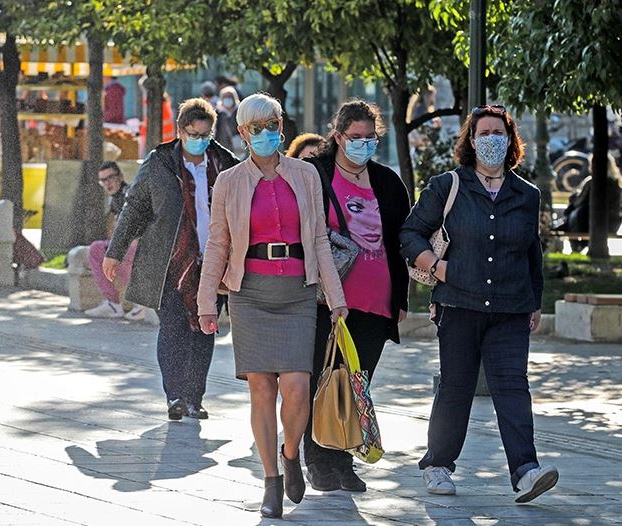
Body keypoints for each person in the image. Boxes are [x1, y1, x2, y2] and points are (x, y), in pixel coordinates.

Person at [195, 93, 347, 518]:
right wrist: (208, 303)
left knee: (298, 386)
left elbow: (320, 238)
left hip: (298, 290)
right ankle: (271, 480)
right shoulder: (229, 181)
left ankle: (290, 451)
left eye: (273, 125)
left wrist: (336, 297)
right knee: (261, 389)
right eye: (255, 129)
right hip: (250, 293)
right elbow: (219, 244)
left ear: (283, 126)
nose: (266, 134)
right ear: (242, 133)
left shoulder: (306, 175)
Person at [400, 104, 558, 503]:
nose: (492, 140)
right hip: (459, 305)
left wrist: (534, 301)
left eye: (499, 133)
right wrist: (436, 268)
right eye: (484, 133)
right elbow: (410, 233)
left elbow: (531, 252)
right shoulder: (447, 186)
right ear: (472, 141)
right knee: (456, 387)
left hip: (510, 307)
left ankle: (526, 471)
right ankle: (438, 464)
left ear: (511, 141)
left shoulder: (527, 194)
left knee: (513, 387)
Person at [103, 98, 239, 421]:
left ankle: (195, 397)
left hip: (212, 264)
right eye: (194, 134)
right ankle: (175, 395)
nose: (201, 141)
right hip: (170, 262)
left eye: (206, 135)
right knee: (175, 329)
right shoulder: (159, 163)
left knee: (205, 331)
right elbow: (134, 208)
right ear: (180, 131)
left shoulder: (225, 163)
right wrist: (115, 251)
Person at [302, 100, 412, 492]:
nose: (363, 145)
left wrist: (401, 298)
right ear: (338, 136)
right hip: (326, 304)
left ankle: (344, 459)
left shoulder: (387, 181)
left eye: (370, 138)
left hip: (375, 302)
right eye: (355, 138)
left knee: (356, 385)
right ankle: (317, 459)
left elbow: (403, 239)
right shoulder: (317, 174)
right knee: (322, 379)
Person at [84, 162, 146, 321]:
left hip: (146, 245)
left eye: (110, 178)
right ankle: (112, 303)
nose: (107, 183)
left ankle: (142, 302)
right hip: (128, 245)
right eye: (103, 181)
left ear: (120, 177)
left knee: (122, 253)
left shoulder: (130, 194)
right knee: (96, 250)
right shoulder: (114, 201)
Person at [552, 153, 622, 249]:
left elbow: (578, 202)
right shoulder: (616, 184)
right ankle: (564, 225)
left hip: (591, 224)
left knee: (574, 209)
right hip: (613, 225)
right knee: (577, 210)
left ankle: (573, 242)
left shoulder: (592, 182)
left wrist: (573, 198)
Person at [214, 86, 243, 156]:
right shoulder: (218, 112)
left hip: (238, 144)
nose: (227, 98)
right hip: (222, 143)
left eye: (230, 96)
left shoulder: (239, 111)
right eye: (225, 96)